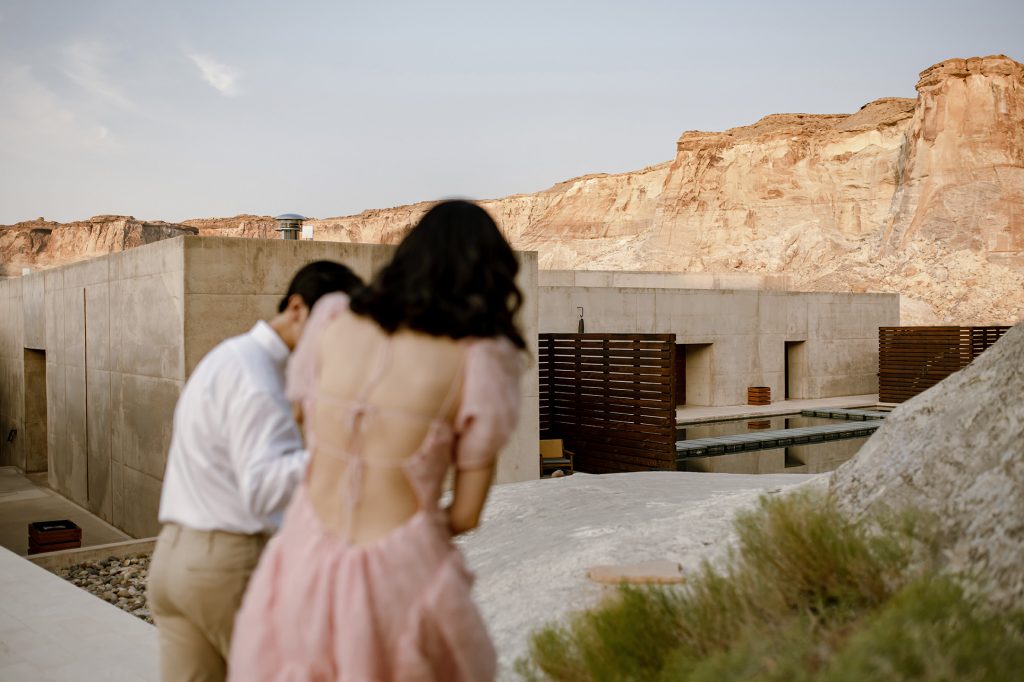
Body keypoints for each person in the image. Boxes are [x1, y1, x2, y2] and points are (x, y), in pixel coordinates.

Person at [228, 200, 525, 681]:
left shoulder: (331, 320)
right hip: (400, 569)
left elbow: (309, 424)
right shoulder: (481, 357)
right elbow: (466, 514)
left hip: (304, 552)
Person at [148, 260, 363, 682]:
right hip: (227, 565)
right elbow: (263, 489)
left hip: (172, 563)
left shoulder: (226, 358)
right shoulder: (259, 381)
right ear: (297, 308)